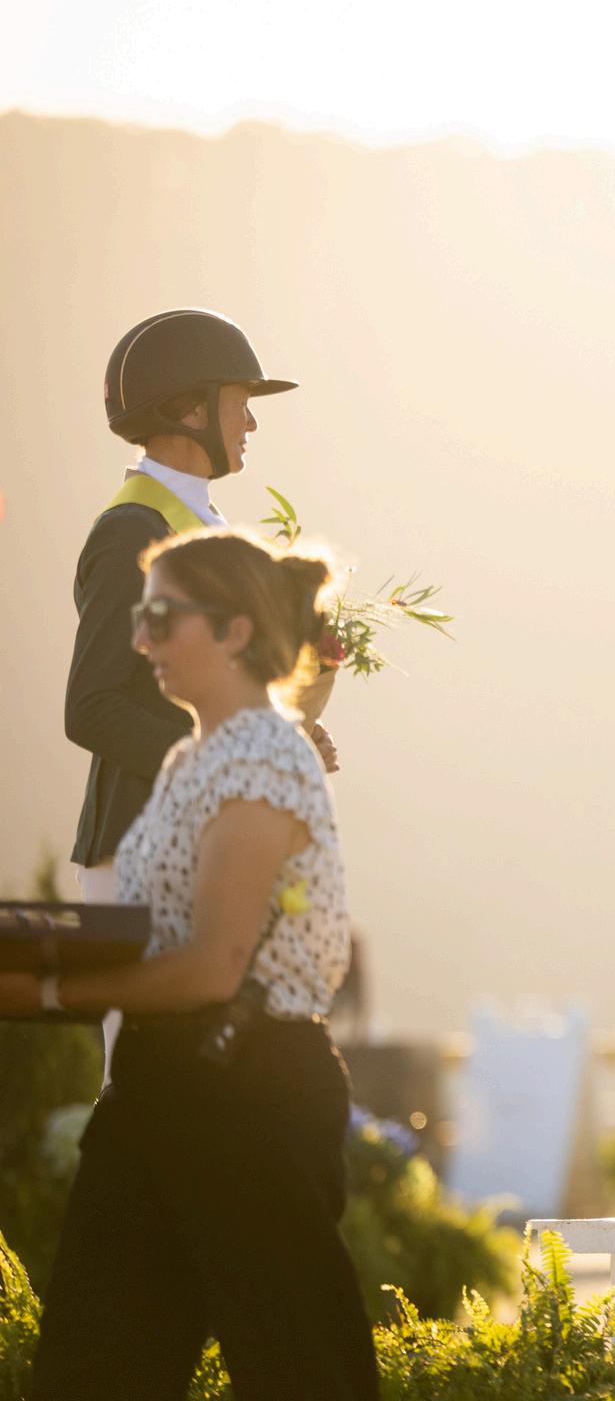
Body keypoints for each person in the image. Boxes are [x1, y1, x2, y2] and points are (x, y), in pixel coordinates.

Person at [6, 527, 375, 1399]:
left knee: (298, 1375)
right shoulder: (187, 758)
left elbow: (215, 966)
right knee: (93, 1372)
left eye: (162, 618)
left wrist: (50, 987)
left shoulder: (264, 754)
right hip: (159, 1084)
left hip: (251, 1091)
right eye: (140, 618)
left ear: (236, 630)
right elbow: (166, 938)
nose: (140, 640)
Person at [65, 310, 332, 1072]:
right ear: (188, 409)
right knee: (148, 1088)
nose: (250, 421)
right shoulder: (130, 531)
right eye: (239, 401)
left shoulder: (200, 521)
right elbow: (90, 706)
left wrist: (279, 733)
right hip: (136, 844)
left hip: (199, 844)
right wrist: (227, 762)